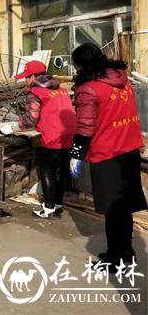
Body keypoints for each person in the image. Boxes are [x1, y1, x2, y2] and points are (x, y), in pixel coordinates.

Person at [69, 43, 146, 268]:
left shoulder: (89, 88)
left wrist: (75, 154)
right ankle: (125, 253)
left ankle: (117, 260)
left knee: (114, 210)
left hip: (108, 154)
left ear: (82, 65)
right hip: (129, 150)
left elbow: (84, 127)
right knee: (123, 209)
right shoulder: (123, 81)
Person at [0, 61, 76, 218]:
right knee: (60, 171)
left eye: (27, 77)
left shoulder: (35, 92)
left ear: (33, 76)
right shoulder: (60, 89)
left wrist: (12, 127)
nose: (26, 81)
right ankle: (58, 204)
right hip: (68, 134)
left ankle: (48, 209)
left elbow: (30, 120)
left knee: (47, 169)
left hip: (53, 136)